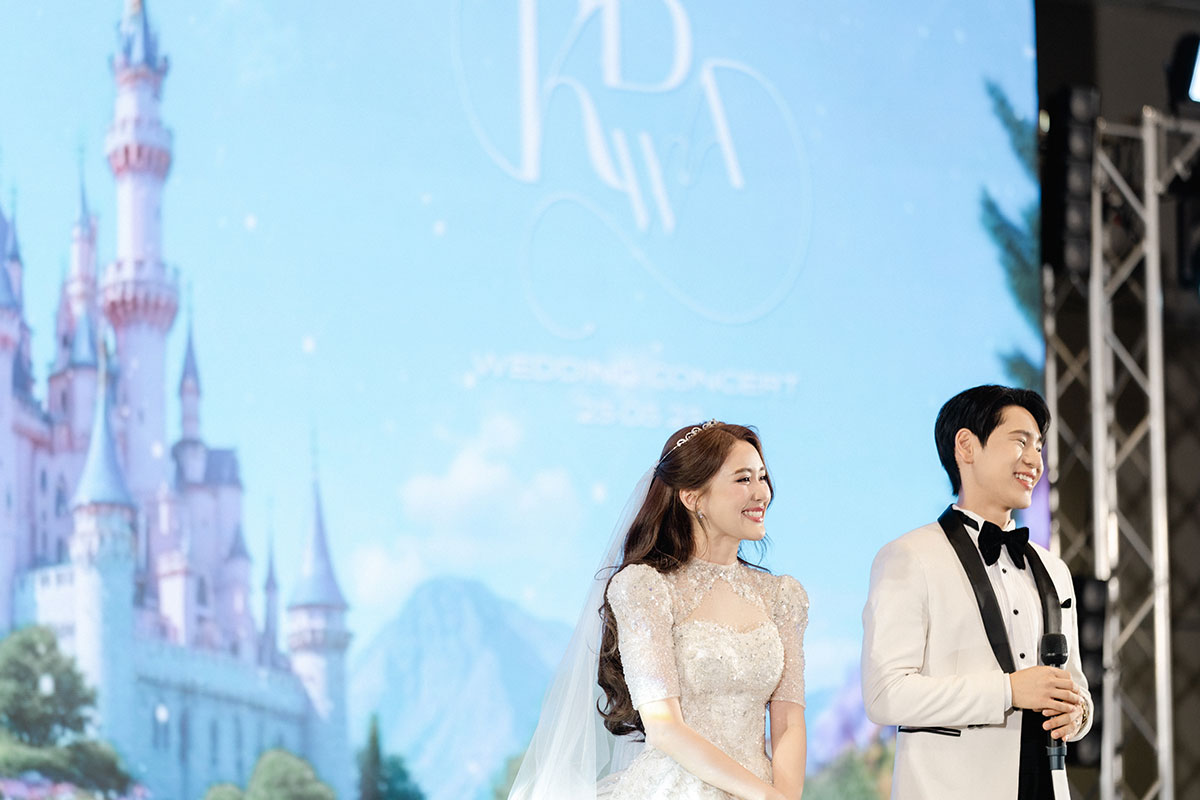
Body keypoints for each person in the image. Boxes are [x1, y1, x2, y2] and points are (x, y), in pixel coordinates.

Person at [508, 421, 808, 800]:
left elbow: (789, 720)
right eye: (743, 479)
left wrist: (785, 797)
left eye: (762, 477)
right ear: (692, 497)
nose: (761, 493)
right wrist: (763, 796)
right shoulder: (645, 588)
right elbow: (665, 726)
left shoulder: (781, 597)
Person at [861, 385, 1093, 800]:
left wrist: (1079, 714)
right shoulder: (910, 556)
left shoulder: (1053, 569)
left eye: (1039, 447)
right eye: (1020, 442)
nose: (1035, 461)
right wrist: (1008, 691)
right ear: (966, 446)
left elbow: (1074, 684)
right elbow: (885, 694)